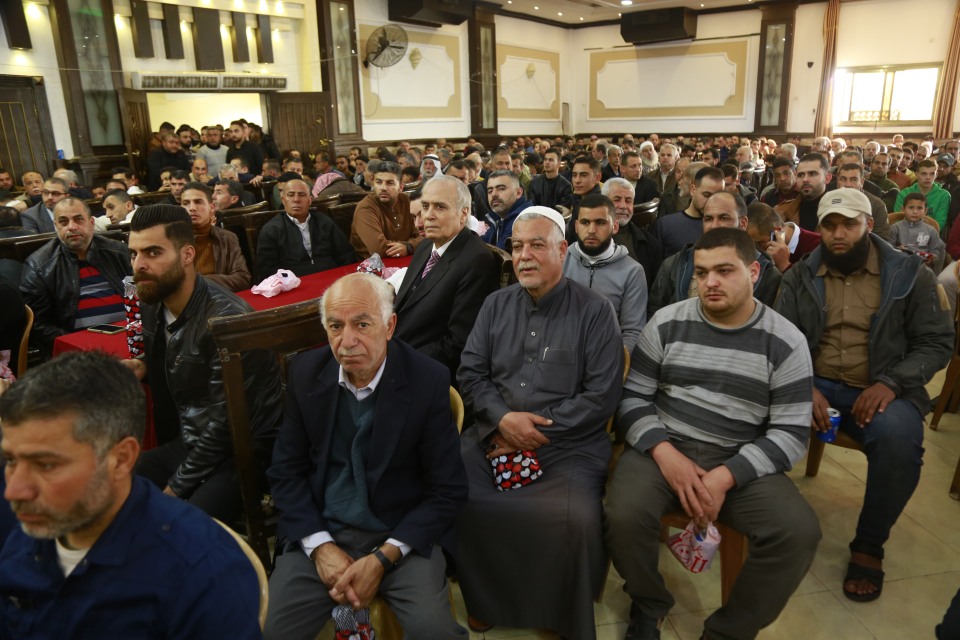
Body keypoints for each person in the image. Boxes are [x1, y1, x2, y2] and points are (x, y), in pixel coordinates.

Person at [607, 227, 820, 640]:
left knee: (797, 532)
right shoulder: (667, 322)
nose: (711, 283)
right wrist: (665, 453)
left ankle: (727, 631)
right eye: (702, 273)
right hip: (666, 447)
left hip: (740, 455)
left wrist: (727, 476)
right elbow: (633, 399)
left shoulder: (785, 340)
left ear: (753, 272)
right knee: (623, 515)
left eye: (725, 271)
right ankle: (649, 601)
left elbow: (791, 432)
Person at [0, 351, 262, 638]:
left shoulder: (201, 575)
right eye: (10, 460)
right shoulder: (29, 532)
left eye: (46, 465)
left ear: (121, 459)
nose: (14, 491)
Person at [264, 273, 468, 639]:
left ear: (390, 326)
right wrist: (320, 547)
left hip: (400, 533)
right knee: (269, 631)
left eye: (362, 324)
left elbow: (447, 489)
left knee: (435, 631)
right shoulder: (305, 373)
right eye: (335, 326)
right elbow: (285, 471)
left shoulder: (427, 380)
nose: (347, 342)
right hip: (321, 526)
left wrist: (383, 557)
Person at [775, 187, 954, 603]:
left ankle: (869, 545)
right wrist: (803, 386)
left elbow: (936, 342)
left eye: (849, 225)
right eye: (830, 226)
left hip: (882, 384)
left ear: (869, 225)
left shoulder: (910, 274)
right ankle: (755, 521)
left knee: (899, 443)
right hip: (814, 381)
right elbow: (779, 340)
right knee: (746, 411)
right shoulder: (800, 275)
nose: (838, 234)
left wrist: (891, 383)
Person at [456, 207, 623, 639]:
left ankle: (557, 612)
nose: (524, 256)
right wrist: (503, 419)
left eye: (536, 245)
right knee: (454, 491)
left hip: (568, 446)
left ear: (562, 250)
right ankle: (486, 601)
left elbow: (601, 395)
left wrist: (532, 432)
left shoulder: (595, 311)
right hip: (493, 434)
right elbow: (470, 373)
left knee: (574, 518)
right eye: (516, 246)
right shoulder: (495, 305)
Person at [126, 205, 283, 522]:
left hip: (244, 450)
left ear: (187, 254)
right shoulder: (155, 297)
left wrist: (175, 489)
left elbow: (227, 425)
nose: (139, 265)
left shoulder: (228, 320)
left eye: (153, 252)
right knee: (108, 486)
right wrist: (144, 364)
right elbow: (185, 349)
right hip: (192, 437)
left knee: (177, 524)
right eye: (134, 253)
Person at [393, 175, 499, 380]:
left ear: (463, 213)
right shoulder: (426, 245)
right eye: (425, 206)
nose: (428, 216)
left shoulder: (477, 260)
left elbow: (457, 344)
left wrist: (397, 361)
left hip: (422, 370)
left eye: (440, 207)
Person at [19, 198, 129, 358]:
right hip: (77, 352)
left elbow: (141, 298)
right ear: (55, 226)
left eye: (78, 219)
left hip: (129, 338)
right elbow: (38, 325)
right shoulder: (38, 265)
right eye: (63, 222)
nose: (72, 227)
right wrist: (77, 346)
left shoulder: (120, 252)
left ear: (91, 223)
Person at [648, 191, 781, 318]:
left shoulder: (767, 274)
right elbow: (655, 312)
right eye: (708, 219)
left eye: (724, 218)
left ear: (743, 223)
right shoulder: (675, 264)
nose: (714, 225)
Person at [563, 193, 647, 351]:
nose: (591, 230)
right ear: (576, 226)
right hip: (560, 352)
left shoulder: (632, 271)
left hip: (608, 355)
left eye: (600, 223)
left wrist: (615, 361)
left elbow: (632, 332)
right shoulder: (559, 262)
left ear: (615, 226)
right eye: (585, 222)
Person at [256, 178, 357, 280]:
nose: (296, 200)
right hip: (294, 284)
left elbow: (346, 255)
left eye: (302, 195)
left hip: (332, 279)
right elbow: (267, 272)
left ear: (310, 200)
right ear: (283, 200)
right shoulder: (271, 230)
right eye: (290, 195)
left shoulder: (324, 222)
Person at [181, 182, 251, 291]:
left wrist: (199, 281)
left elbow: (243, 279)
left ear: (212, 207)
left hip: (221, 298)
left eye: (198, 202)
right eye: (186, 203)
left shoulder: (227, 237)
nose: (192, 208)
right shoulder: (172, 240)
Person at [350, 161, 420, 260]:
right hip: (372, 265)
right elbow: (379, 249)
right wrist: (411, 244)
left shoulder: (406, 201)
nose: (383, 188)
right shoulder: (366, 208)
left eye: (390, 183)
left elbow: (427, 235)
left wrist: (408, 247)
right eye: (379, 182)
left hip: (407, 258)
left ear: (400, 187)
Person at [605, 177, 663, 288]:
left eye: (628, 201)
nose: (623, 206)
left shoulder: (651, 245)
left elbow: (655, 291)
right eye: (617, 200)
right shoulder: (589, 239)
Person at [889, 192, 946, 269]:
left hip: (923, 268)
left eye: (919, 208)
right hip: (900, 266)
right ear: (903, 209)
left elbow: (936, 253)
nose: (915, 212)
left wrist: (931, 259)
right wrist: (898, 250)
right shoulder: (895, 228)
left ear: (925, 211)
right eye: (911, 207)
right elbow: (888, 250)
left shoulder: (931, 231)